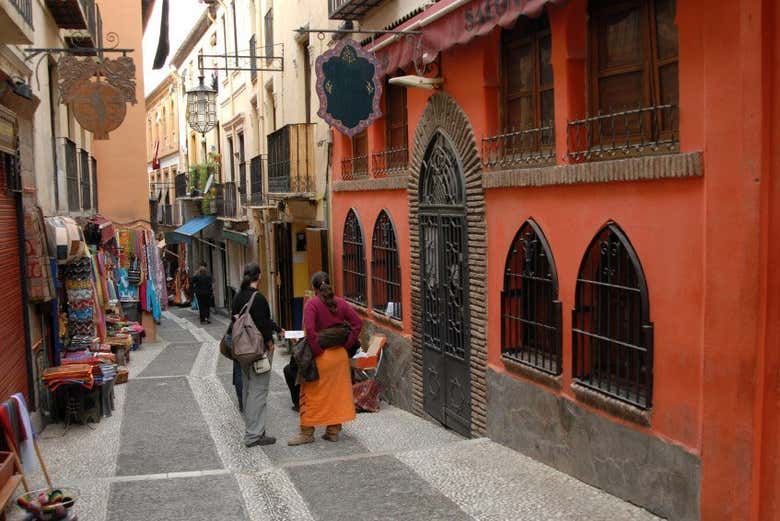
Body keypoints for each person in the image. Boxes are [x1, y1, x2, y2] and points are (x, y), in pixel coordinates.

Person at [288, 272, 362, 445]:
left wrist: (317, 351)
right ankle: (333, 431)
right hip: (339, 356)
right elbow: (358, 323)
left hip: (320, 357)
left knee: (310, 394)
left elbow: (311, 333)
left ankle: (307, 433)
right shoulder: (341, 303)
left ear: (314, 288)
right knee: (336, 393)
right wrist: (347, 345)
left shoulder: (311, 304)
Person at [231, 263, 276, 447]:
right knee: (259, 391)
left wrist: (277, 328)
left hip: (242, 352)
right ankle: (254, 434)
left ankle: (254, 429)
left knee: (248, 390)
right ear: (259, 276)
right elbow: (263, 324)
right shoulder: (259, 298)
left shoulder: (238, 296)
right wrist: (270, 344)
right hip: (258, 351)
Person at [233, 317, 284, 413]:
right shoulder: (259, 301)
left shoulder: (237, 301)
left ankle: (243, 404)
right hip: (255, 344)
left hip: (239, 342)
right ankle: (254, 410)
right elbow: (264, 321)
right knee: (258, 380)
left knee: (240, 372)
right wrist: (269, 341)